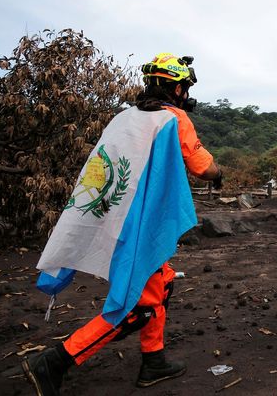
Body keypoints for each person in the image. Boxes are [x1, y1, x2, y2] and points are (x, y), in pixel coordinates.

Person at [23, 53, 222, 395]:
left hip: (110, 217)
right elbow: (201, 166)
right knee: (138, 307)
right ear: (175, 88)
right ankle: (56, 360)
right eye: (184, 87)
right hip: (138, 226)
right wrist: (219, 175)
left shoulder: (123, 118)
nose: (185, 94)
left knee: (162, 283)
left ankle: (154, 361)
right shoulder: (172, 118)